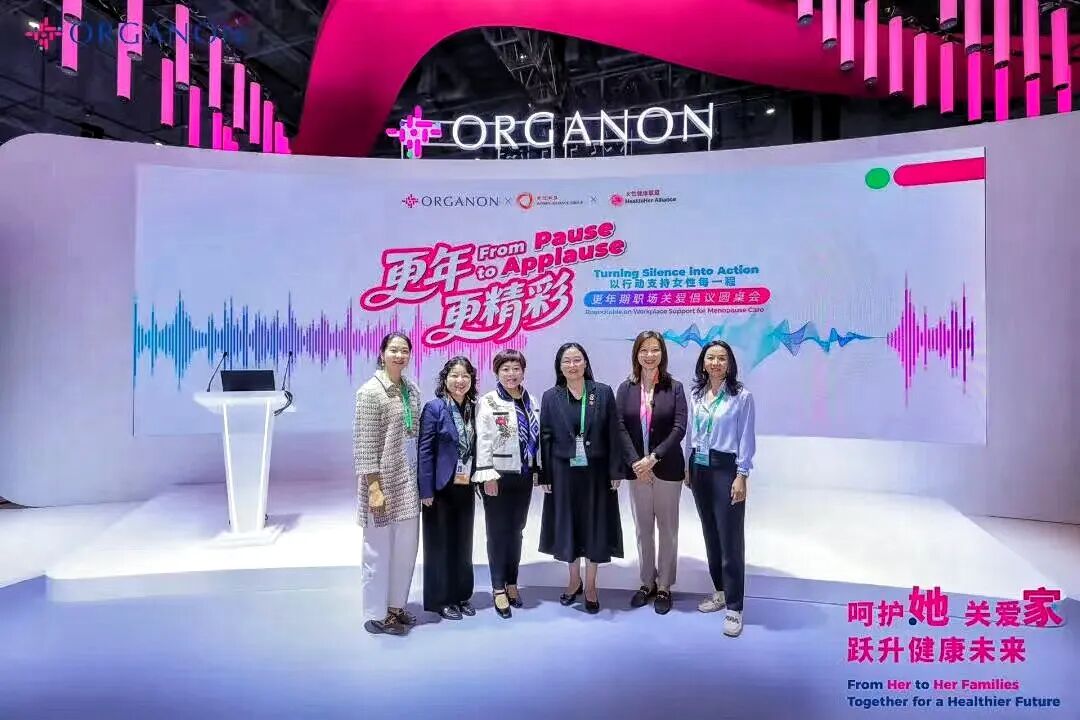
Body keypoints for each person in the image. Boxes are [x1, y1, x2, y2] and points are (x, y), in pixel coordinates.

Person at [538, 342, 623, 614]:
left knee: (595, 526)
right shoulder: (551, 397)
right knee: (569, 525)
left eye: (577, 360)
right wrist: (545, 474)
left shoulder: (603, 392)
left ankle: (591, 585)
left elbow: (614, 433)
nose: (572, 365)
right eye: (567, 361)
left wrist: (615, 471)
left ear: (585, 363)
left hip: (596, 472)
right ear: (559, 367)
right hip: (563, 473)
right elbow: (545, 437)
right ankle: (573, 580)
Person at [353, 332, 423, 636]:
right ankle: (377, 614)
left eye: (404, 350)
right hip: (380, 483)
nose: (399, 355)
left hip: (407, 480)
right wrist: (373, 487)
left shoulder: (412, 389)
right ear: (382, 353)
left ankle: (396, 607)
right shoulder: (370, 392)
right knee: (378, 551)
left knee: (405, 550)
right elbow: (365, 444)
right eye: (394, 350)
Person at [615, 331, 688, 615]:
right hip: (637, 471)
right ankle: (647, 582)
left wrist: (653, 458)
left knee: (667, 529)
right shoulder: (626, 388)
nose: (649, 355)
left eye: (655, 350)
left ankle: (665, 586)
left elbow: (679, 427)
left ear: (662, 354)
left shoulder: (675, 387)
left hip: (666, 468)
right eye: (643, 350)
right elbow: (619, 426)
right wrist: (637, 462)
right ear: (636, 354)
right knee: (643, 529)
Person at [686, 340, 756, 638]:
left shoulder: (742, 397)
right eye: (710, 358)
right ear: (703, 363)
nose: (715, 363)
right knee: (711, 533)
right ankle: (720, 592)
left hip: (727, 468)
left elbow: (746, 437)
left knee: (730, 538)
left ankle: (735, 607)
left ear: (730, 364)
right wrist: (688, 466)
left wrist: (742, 474)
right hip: (699, 466)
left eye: (722, 358)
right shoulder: (696, 394)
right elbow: (691, 432)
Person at [473, 349, 541, 619]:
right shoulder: (488, 401)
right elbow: (483, 439)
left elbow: (536, 438)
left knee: (517, 530)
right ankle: (498, 587)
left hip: (523, 475)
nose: (511, 374)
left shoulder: (531, 400)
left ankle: (512, 581)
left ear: (523, 371)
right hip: (497, 476)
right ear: (497, 372)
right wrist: (487, 474)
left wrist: (538, 470)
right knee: (497, 532)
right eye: (505, 369)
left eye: (516, 368)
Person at [417, 356, 479, 621]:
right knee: (440, 545)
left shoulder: (473, 408)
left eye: (465, 376)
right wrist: (425, 490)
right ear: (445, 379)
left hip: (465, 485)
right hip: (440, 488)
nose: (460, 380)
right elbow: (425, 450)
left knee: (463, 543)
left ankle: (461, 594)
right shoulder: (435, 408)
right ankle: (441, 599)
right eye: (454, 375)